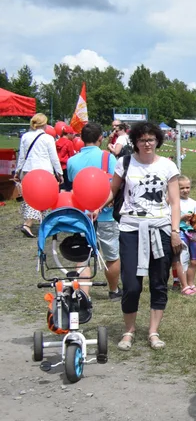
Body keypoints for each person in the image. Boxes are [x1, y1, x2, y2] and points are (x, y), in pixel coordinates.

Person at [107, 121, 183, 352]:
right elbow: (112, 191)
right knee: (131, 284)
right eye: (142, 140)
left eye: (151, 139)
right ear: (136, 142)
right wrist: (95, 206)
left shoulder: (168, 166)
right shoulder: (125, 162)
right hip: (131, 228)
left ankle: (153, 331)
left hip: (160, 229)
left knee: (159, 283)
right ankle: (129, 330)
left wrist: (175, 230)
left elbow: (175, 201)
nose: (147, 143)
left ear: (157, 141)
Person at [66, 122, 121, 299]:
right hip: (105, 214)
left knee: (82, 256)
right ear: (100, 138)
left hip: (81, 215)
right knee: (111, 255)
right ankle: (113, 290)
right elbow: (115, 185)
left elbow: (71, 183)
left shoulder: (72, 161)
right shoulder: (108, 158)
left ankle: (83, 294)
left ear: (81, 139)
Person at [15, 112, 63, 238]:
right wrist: (60, 172)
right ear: (45, 124)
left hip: (28, 170)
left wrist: (17, 171)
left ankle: (42, 223)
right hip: (44, 171)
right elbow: (54, 158)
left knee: (31, 198)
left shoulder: (25, 136)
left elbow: (22, 157)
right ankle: (30, 223)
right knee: (45, 197)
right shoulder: (48, 138)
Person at [172, 176, 196, 295]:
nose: (185, 190)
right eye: (181, 188)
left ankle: (190, 283)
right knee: (181, 259)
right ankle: (183, 286)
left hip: (192, 234)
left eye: (187, 187)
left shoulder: (193, 202)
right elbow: (170, 219)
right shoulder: (174, 202)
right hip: (180, 233)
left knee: (194, 260)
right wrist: (182, 218)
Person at [55, 123, 77, 190]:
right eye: (72, 134)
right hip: (66, 166)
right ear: (68, 134)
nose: (73, 135)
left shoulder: (57, 142)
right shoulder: (69, 143)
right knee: (68, 186)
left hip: (58, 166)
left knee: (60, 184)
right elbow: (71, 156)